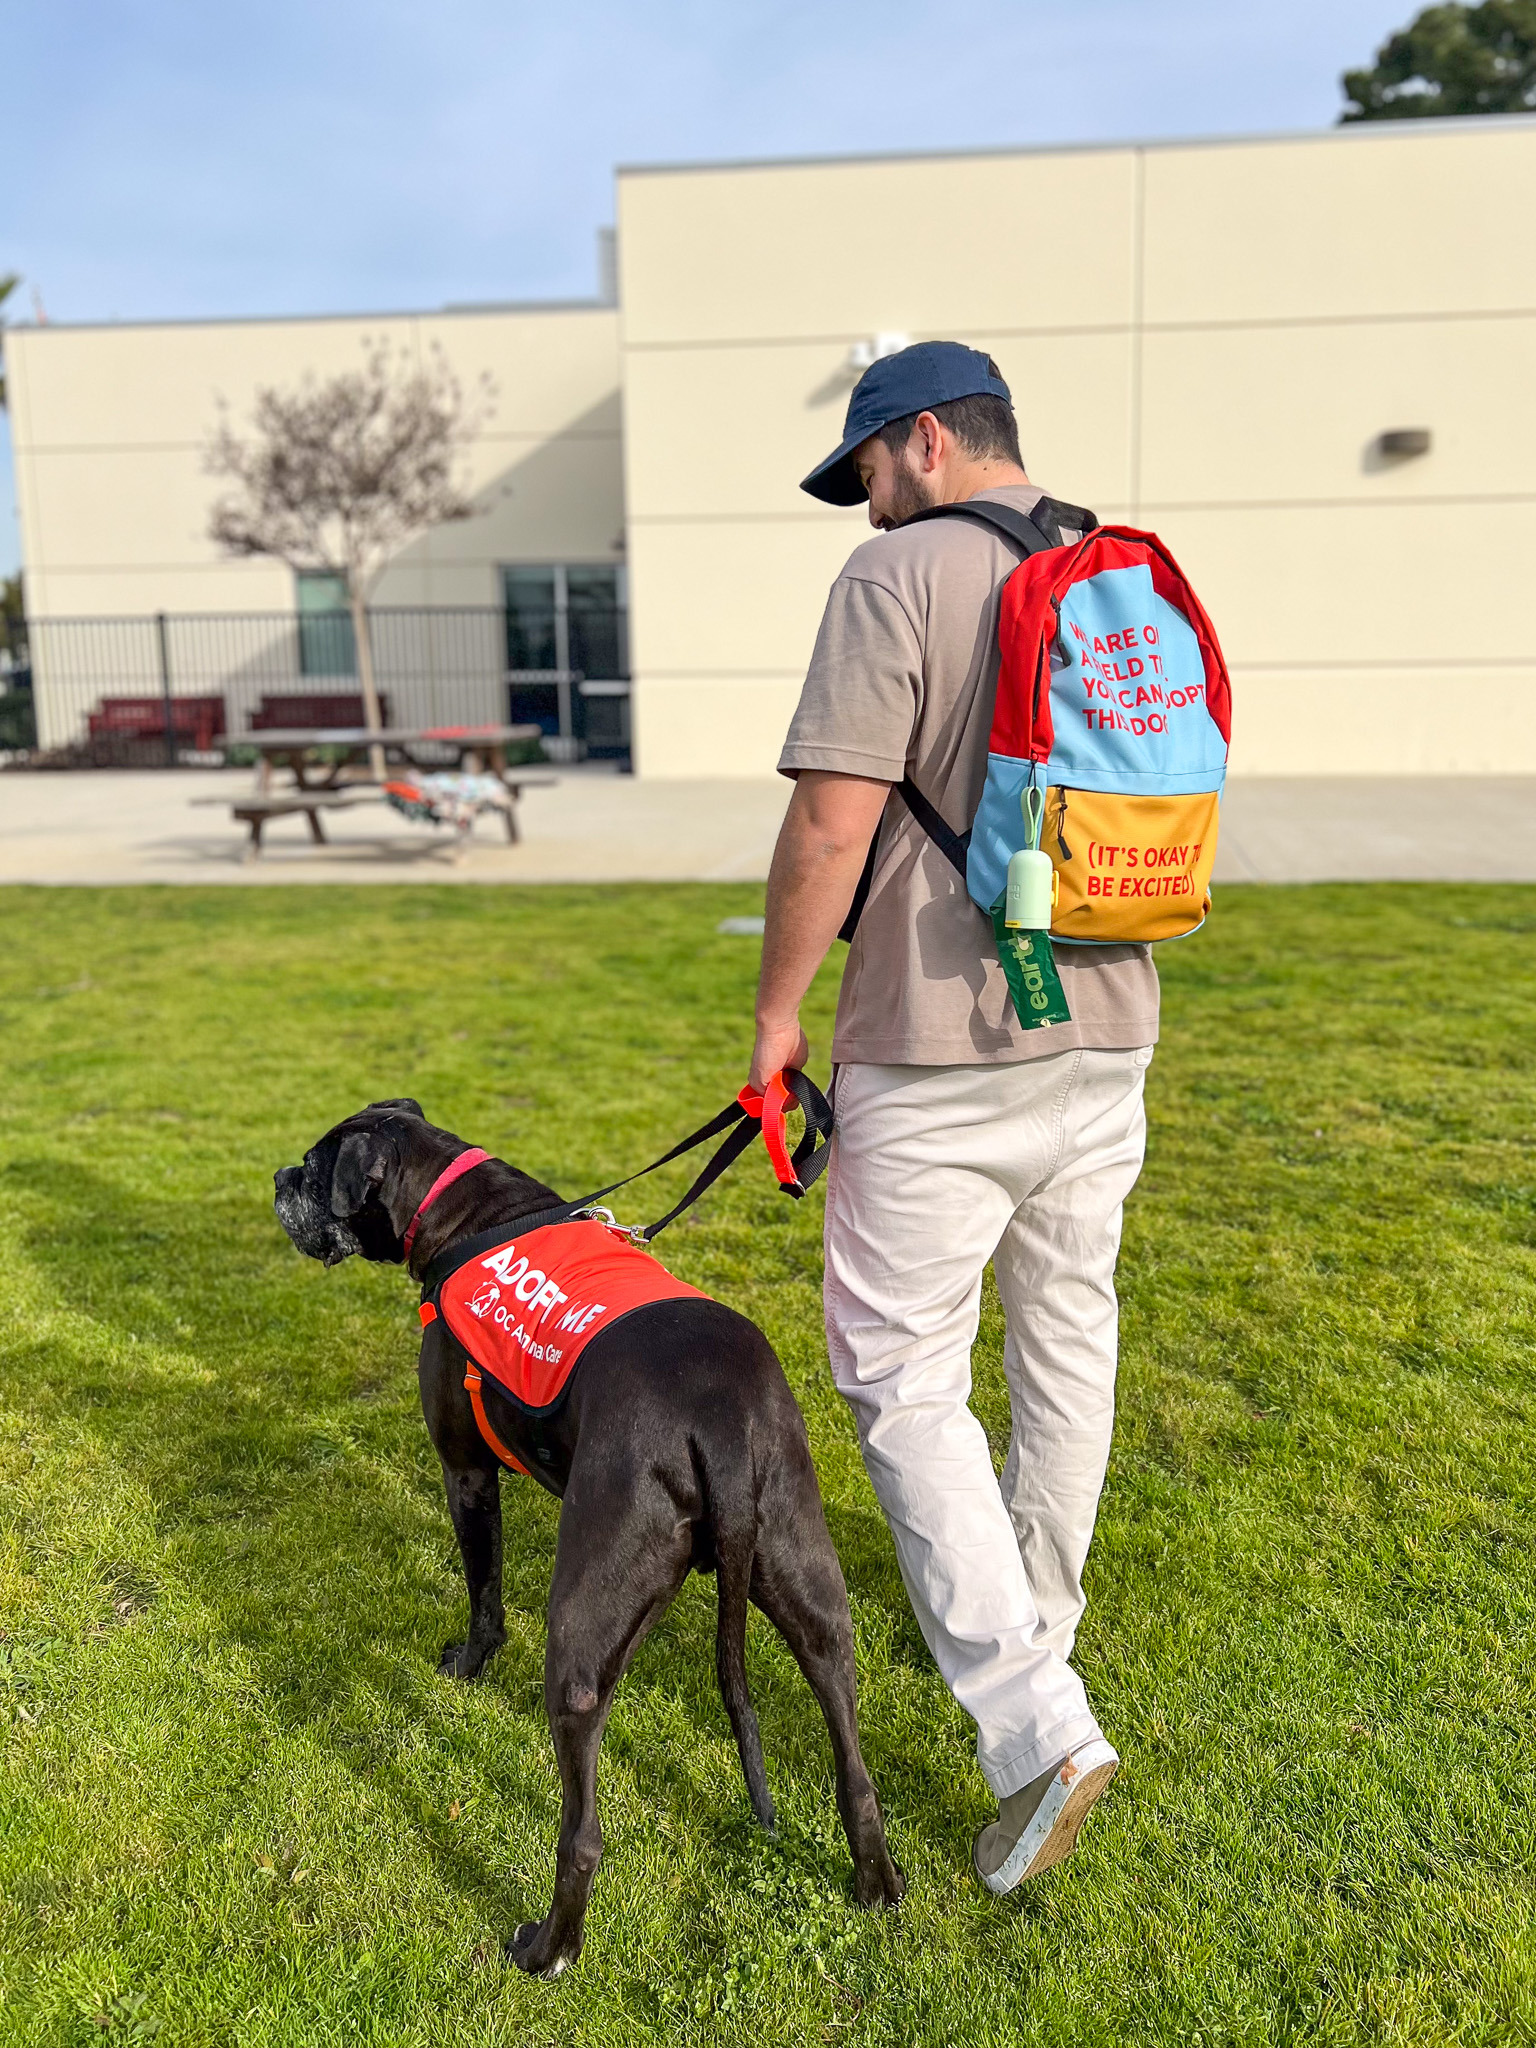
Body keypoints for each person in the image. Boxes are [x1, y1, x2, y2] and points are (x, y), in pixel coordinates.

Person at [748, 341, 1157, 1892]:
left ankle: (1038, 1726)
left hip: (936, 1044)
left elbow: (830, 818)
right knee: (1067, 1328)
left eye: (864, 469)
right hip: (1108, 1022)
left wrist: (782, 1016)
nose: (859, 506)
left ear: (923, 441)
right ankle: (1033, 1620)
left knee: (904, 1374)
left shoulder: (899, 578)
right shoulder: (1107, 558)